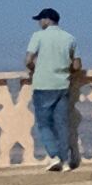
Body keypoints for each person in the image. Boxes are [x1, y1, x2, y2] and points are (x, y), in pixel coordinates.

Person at [23, 9, 81, 173]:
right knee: (61, 124)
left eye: (40, 19)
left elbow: (28, 60)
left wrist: (36, 68)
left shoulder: (38, 36)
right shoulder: (70, 38)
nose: (39, 23)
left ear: (47, 20)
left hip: (43, 85)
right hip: (62, 85)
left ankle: (54, 156)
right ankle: (66, 161)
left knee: (44, 124)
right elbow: (77, 65)